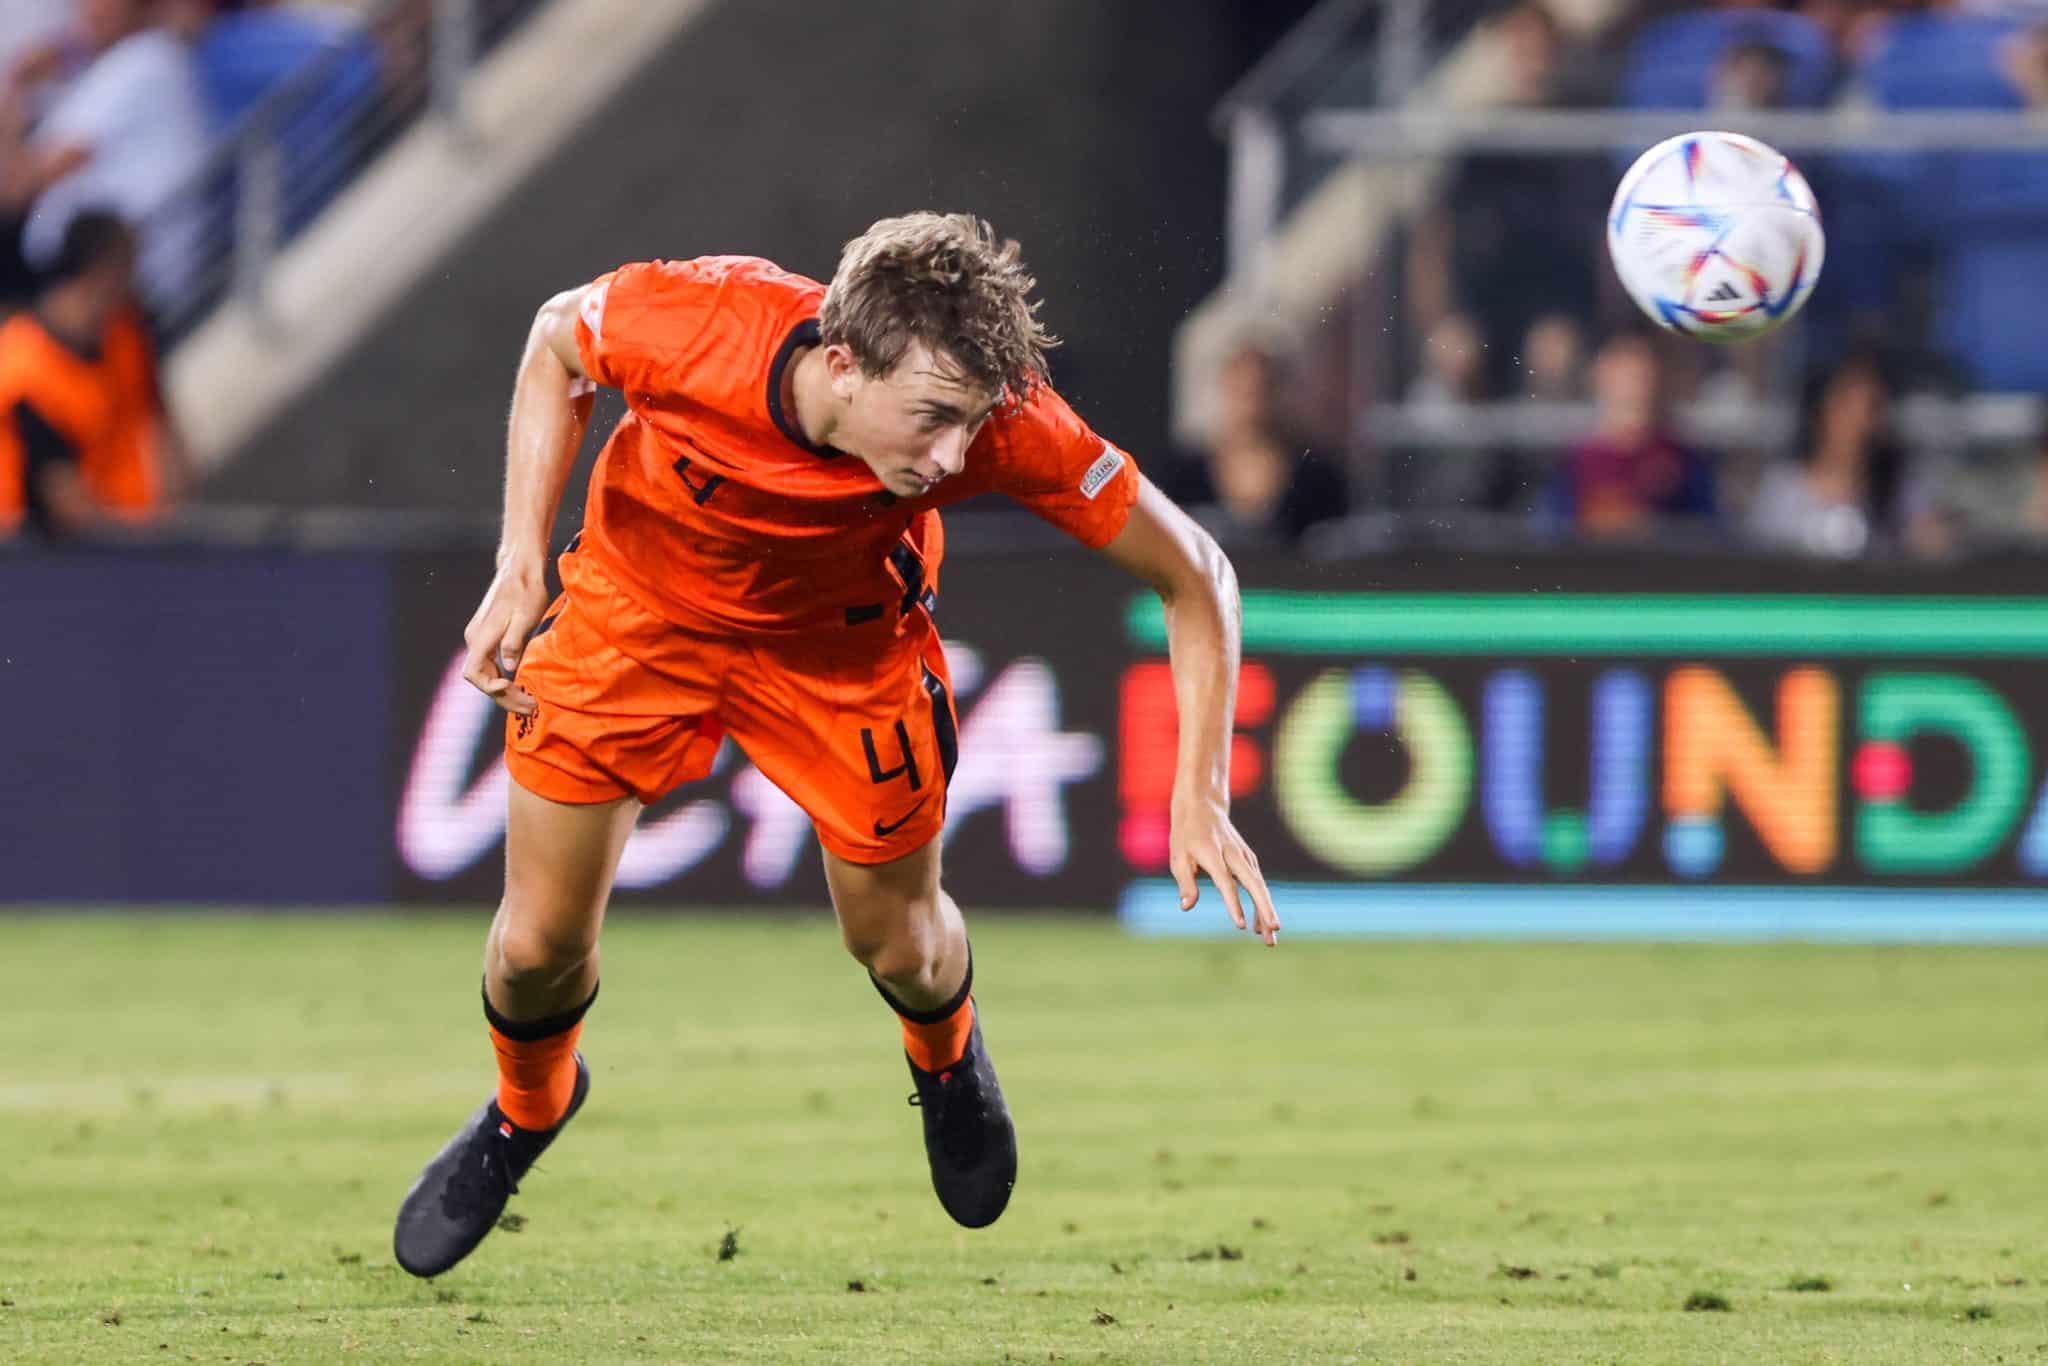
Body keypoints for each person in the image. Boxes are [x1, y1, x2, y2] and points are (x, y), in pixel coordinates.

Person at [391, 213, 1281, 1278]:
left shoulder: (1005, 425)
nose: (955, 454)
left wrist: (1200, 790)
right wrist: (520, 559)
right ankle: (525, 1108)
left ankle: (946, 1058)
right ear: (843, 362)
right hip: (635, 615)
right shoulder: (694, 320)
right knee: (534, 947)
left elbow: (1197, 576)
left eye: (970, 424)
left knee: (899, 945)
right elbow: (554, 342)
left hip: (843, 659)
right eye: (932, 419)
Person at [19, 0, 213, 318]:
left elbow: (37, 174)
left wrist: (16, 94)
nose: (90, 12)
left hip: (117, 284)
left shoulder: (145, 57)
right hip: (78, 280)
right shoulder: (110, 66)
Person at [0, 211, 189, 536]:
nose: (137, 279)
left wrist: (171, 521)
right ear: (103, 270)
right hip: (35, 555)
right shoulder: (23, 365)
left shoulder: (127, 334)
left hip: (133, 537)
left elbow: (161, 427)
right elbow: (63, 497)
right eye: (129, 267)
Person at [1167, 339, 1347, 545]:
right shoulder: (1184, 473)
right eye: (1243, 391)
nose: (1253, 402)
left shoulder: (1317, 476)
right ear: (1225, 387)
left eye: (1263, 388)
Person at [1556, 331, 1716, 540]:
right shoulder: (1576, 461)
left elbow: (1707, 534)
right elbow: (1554, 535)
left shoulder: (1683, 460)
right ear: (1600, 375)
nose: (1638, 383)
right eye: (1627, 372)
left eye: (1644, 372)